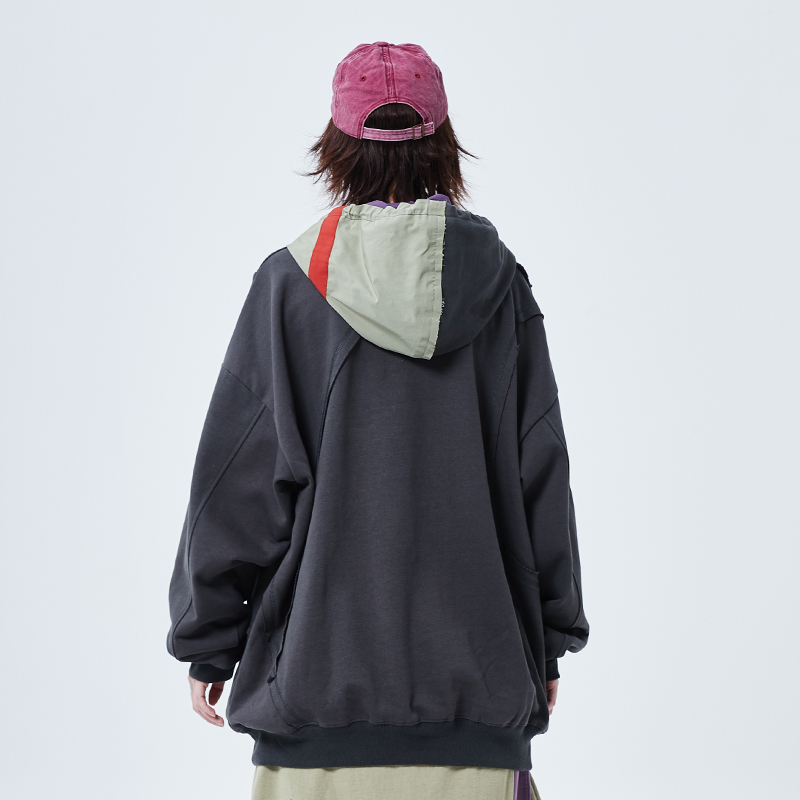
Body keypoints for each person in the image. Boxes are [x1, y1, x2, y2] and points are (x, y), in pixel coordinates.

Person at [166, 41, 589, 800]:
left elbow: (239, 482)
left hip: (315, 700)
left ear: (336, 146)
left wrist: (209, 641)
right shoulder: (502, 287)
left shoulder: (290, 288)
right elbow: (541, 475)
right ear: (444, 142)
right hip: (480, 694)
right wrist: (549, 639)